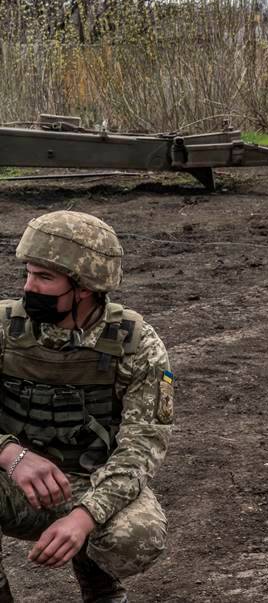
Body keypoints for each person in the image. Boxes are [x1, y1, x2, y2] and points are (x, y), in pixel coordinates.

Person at [0, 211, 173, 603]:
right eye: (28, 273)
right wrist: (11, 453)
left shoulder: (135, 345)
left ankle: (101, 587)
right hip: (11, 480)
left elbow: (142, 448)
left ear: (84, 286)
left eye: (44, 277)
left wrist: (85, 516)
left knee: (137, 537)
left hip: (91, 481)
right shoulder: (4, 329)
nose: (28, 287)